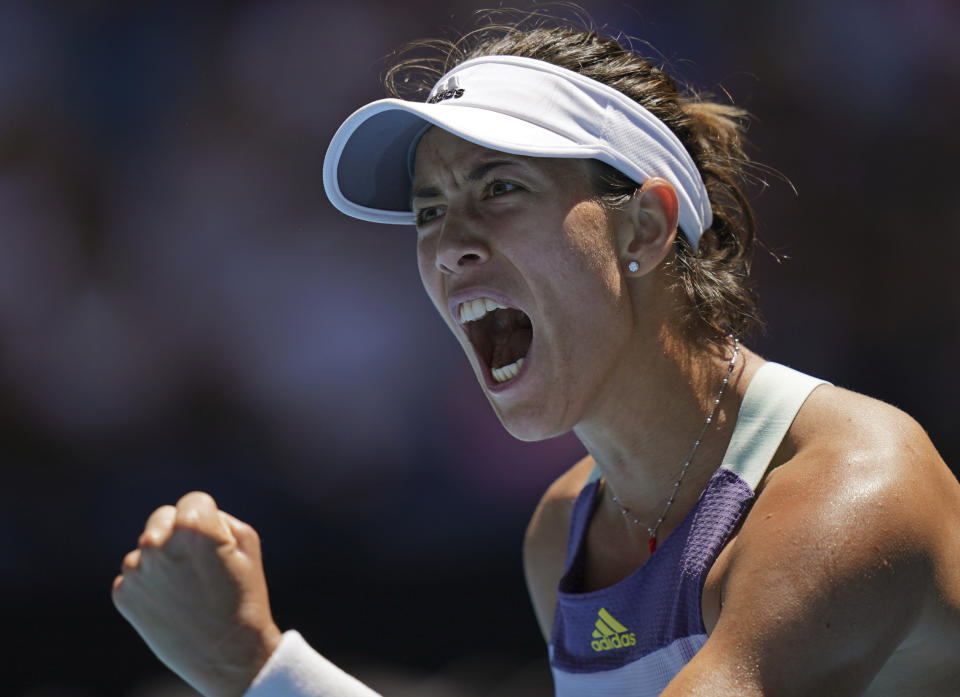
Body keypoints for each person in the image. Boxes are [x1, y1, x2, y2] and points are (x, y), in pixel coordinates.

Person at [112, 16, 960, 697]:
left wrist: (256, 668)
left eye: (500, 188)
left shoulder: (852, 486)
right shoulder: (562, 533)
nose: (450, 247)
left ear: (646, 227)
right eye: (430, 209)